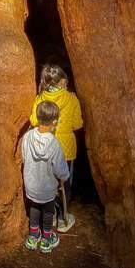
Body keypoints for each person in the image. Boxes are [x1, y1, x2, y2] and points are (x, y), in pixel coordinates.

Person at [29, 64, 83, 232]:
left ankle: (50, 216)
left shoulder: (40, 98)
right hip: (65, 149)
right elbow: (77, 124)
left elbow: (33, 121)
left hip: (45, 146)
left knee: (48, 183)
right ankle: (63, 219)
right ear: (63, 81)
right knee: (64, 183)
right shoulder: (71, 98)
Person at [21, 101, 70, 253]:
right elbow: (60, 168)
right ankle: (46, 239)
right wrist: (64, 177)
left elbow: (24, 157)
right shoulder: (55, 144)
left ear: (37, 117)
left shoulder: (28, 136)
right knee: (48, 211)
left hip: (31, 184)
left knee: (34, 207)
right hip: (47, 188)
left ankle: (33, 236)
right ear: (55, 121)